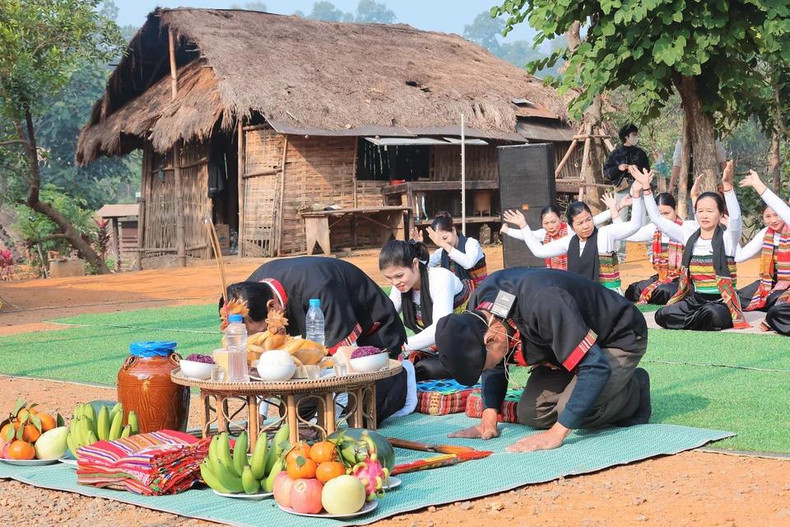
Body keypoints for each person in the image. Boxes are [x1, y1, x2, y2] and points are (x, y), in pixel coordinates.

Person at [434, 268, 650, 452]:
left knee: (571, 411)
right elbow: (494, 368)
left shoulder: (544, 302)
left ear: (491, 338)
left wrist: (555, 434)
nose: (489, 368)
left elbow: (595, 367)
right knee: (531, 413)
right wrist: (488, 419)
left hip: (616, 338)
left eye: (485, 364)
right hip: (560, 347)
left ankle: (634, 389)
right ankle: (579, 379)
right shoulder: (480, 310)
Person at [220, 256, 415, 423]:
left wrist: (332, 409)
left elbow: (347, 357)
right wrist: (259, 417)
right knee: (298, 412)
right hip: (321, 345)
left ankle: (404, 373)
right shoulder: (246, 294)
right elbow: (263, 356)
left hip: (372, 339)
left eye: (257, 333)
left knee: (364, 414)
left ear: (272, 307)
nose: (257, 339)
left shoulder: (322, 288)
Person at [632, 163, 749, 331]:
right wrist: (646, 188)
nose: (704, 215)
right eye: (700, 211)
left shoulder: (728, 239)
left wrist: (728, 187)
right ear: (695, 213)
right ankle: (695, 320)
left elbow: (736, 221)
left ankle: (698, 320)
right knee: (662, 314)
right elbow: (657, 219)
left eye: (710, 211)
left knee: (712, 314)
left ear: (721, 214)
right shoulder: (688, 237)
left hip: (721, 302)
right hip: (695, 300)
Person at [502, 180, 645, 293]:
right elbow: (539, 251)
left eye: (589, 220)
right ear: (572, 226)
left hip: (608, 296)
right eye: (580, 223)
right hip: (580, 294)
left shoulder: (604, 234)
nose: (586, 226)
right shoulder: (569, 241)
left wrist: (637, 195)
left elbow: (635, 225)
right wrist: (523, 225)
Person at [379, 239, 471, 381]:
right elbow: (385, 317)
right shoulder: (400, 286)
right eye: (389, 278)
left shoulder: (440, 278)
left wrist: (400, 346)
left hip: (463, 345)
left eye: (399, 276)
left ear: (415, 264)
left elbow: (440, 329)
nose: (395, 282)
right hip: (435, 348)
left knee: (417, 369)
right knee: (391, 368)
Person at [736, 170, 790, 335]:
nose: (773, 220)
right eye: (768, 216)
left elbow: (782, 209)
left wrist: (758, 185)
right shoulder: (765, 234)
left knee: (777, 306)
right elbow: (740, 256)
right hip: (769, 283)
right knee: (736, 299)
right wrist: (732, 232)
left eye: (777, 215)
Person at [623, 193, 691, 305]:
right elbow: (629, 234)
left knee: (664, 291)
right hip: (662, 277)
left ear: (676, 210)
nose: (663, 218)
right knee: (632, 290)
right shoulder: (654, 229)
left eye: (666, 213)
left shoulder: (686, 228)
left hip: (683, 279)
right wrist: (617, 209)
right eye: (659, 215)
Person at [500, 205, 614, 270]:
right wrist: (507, 230)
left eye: (554, 221)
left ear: (560, 219)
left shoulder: (571, 230)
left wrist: (617, 207)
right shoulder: (543, 234)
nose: (550, 226)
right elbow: (527, 235)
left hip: (574, 273)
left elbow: (596, 219)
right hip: (554, 274)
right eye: (546, 223)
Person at [412, 212, 487, 289]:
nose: (443, 242)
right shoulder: (442, 252)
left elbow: (468, 263)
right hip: (457, 296)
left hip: (480, 294)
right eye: (439, 241)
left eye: (445, 238)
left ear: (453, 230)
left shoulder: (471, 243)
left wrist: (444, 245)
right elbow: (425, 264)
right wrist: (418, 247)